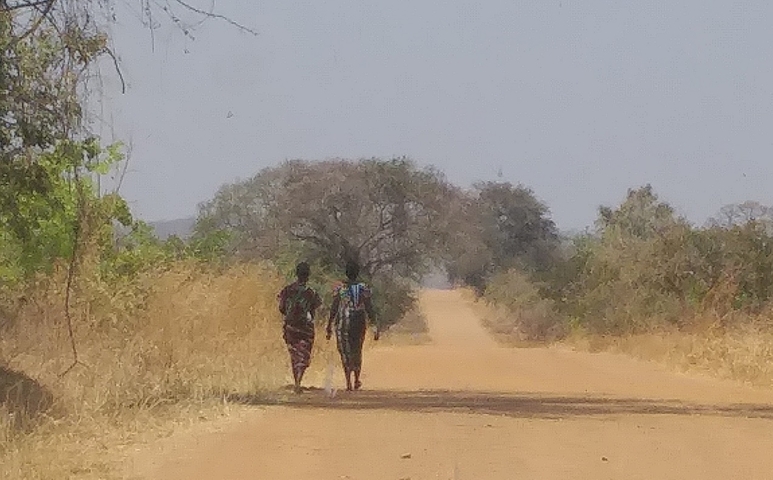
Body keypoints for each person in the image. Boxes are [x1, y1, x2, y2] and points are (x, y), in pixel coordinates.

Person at [326, 261, 379, 391]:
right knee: (357, 349)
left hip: (343, 322)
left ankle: (348, 381)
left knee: (345, 350)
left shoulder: (340, 288)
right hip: (359, 321)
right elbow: (369, 307)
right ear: (357, 273)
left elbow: (334, 308)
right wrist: (374, 324)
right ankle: (356, 379)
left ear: (346, 273)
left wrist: (329, 324)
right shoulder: (363, 288)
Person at [277, 262, 322, 393]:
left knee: (294, 353)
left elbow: (281, 308)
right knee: (304, 355)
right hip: (306, 327)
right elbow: (315, 307)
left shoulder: (287, 290)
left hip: (290, 326)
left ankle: (297, 381)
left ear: (296, 274)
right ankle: (298, 380)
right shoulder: (311, 292)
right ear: (308, 275)